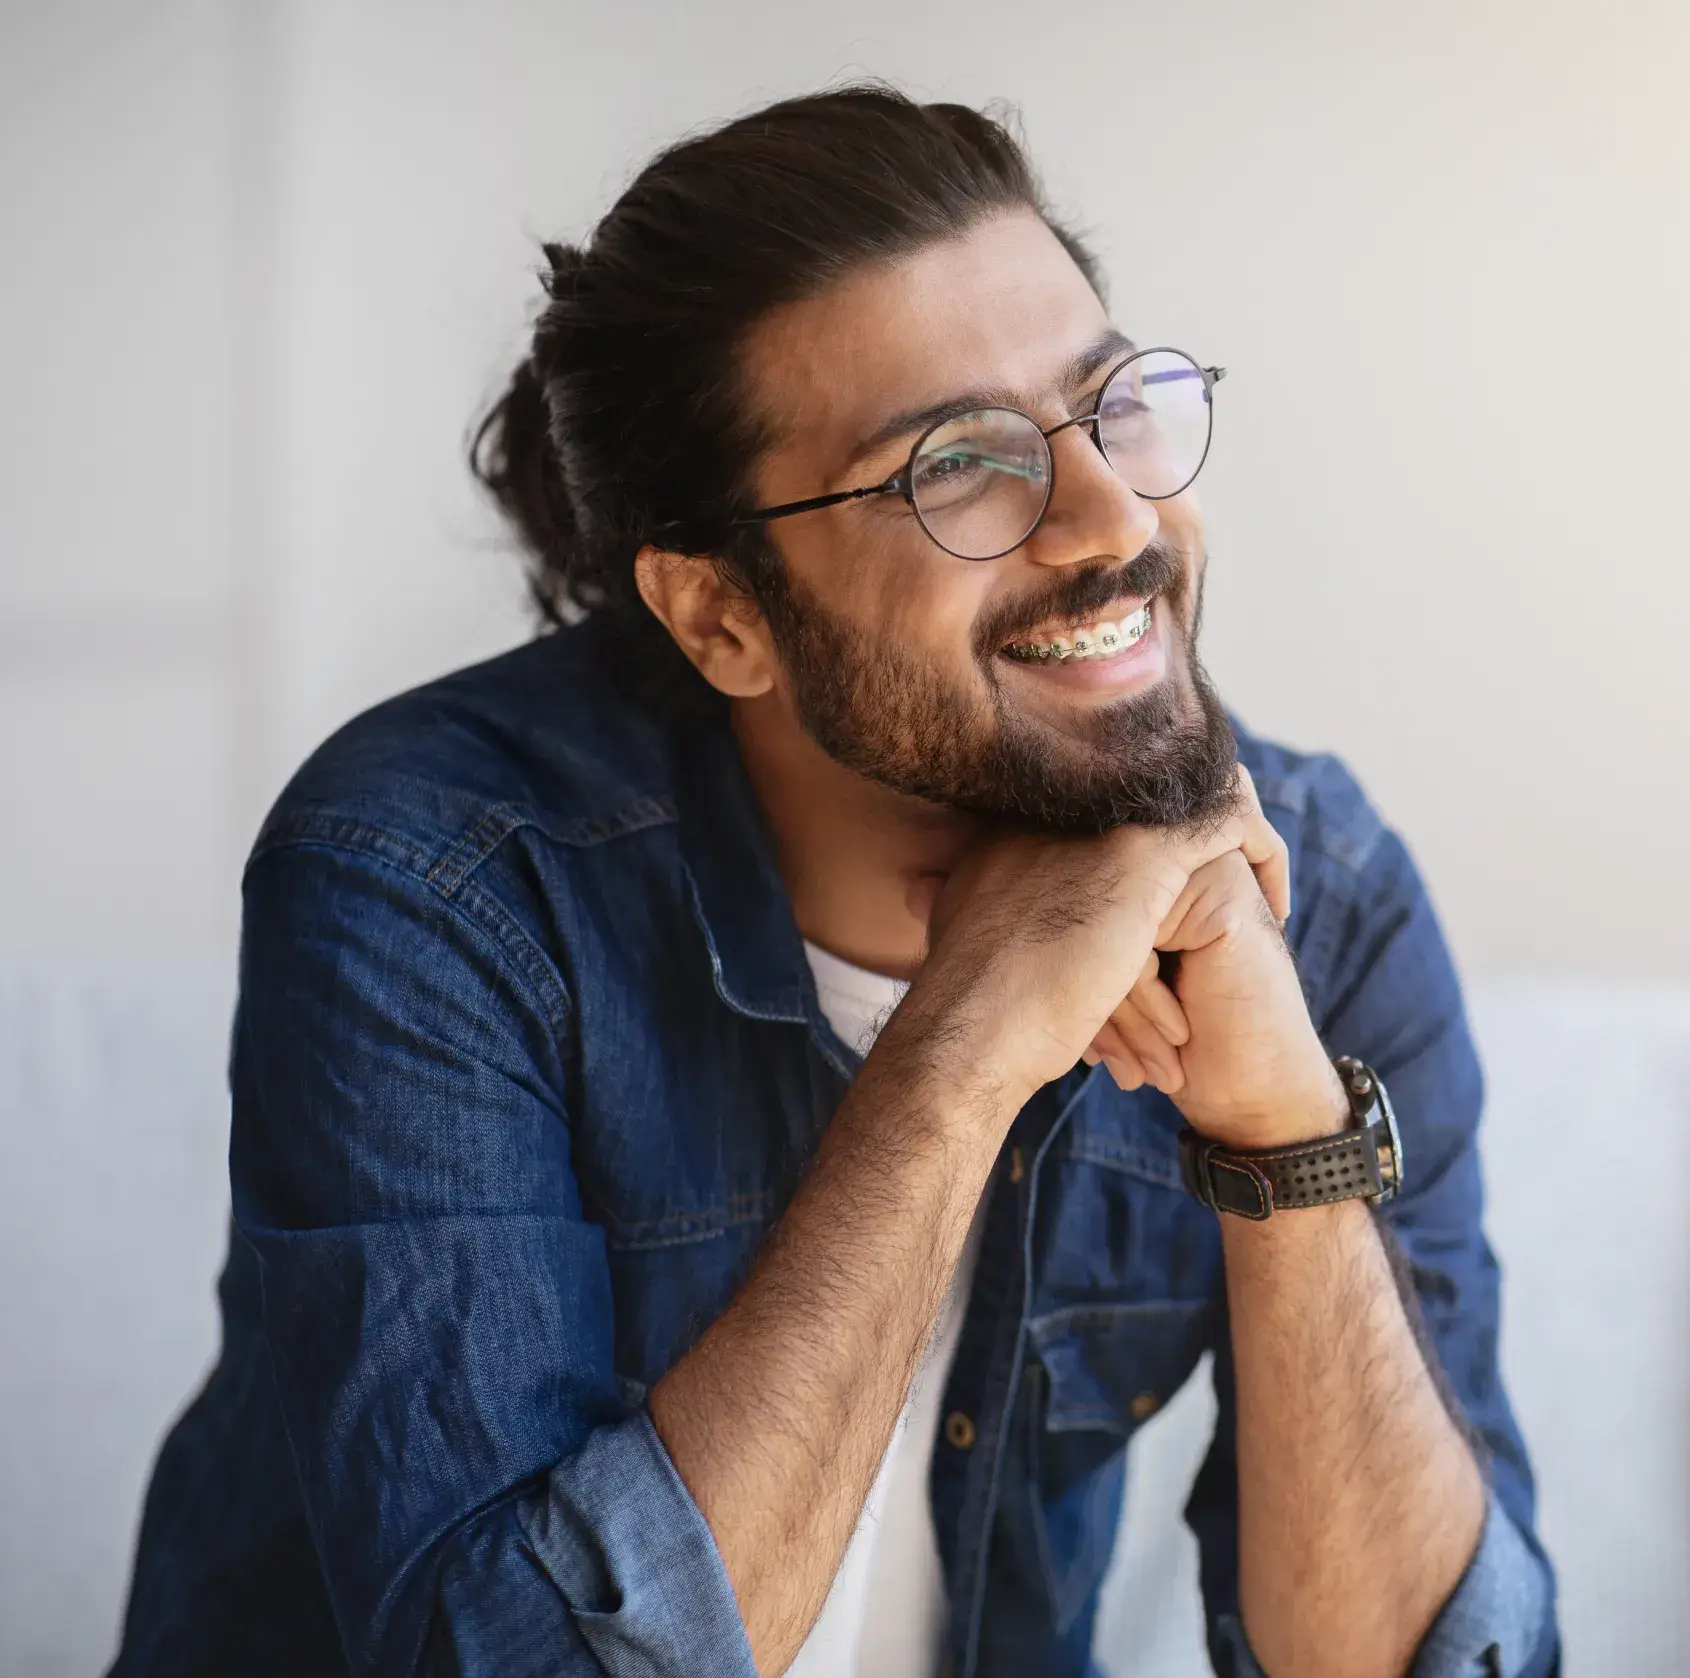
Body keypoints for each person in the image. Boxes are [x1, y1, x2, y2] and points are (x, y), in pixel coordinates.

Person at [112, 85, 1557, 1678]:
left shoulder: (1307, 894)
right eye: (957, 468)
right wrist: (954, 1059)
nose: (1109, 518)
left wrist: (1284, 1145)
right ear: (721, 615)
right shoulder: (438, 885)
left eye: (1110, 410)